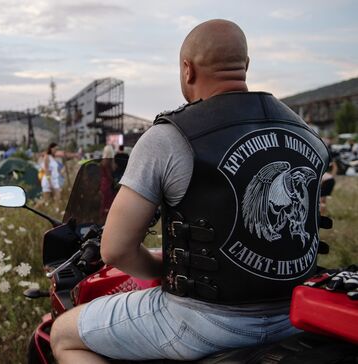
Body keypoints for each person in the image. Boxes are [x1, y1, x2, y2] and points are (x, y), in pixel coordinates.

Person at [50, 19, 331, 362]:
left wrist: (162, 267)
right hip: (296, 312)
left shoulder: (170, 136)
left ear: (187, 70)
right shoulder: (307, 135)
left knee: (63, 334)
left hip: (204, 322)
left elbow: (115, 249)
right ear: (246, 66)